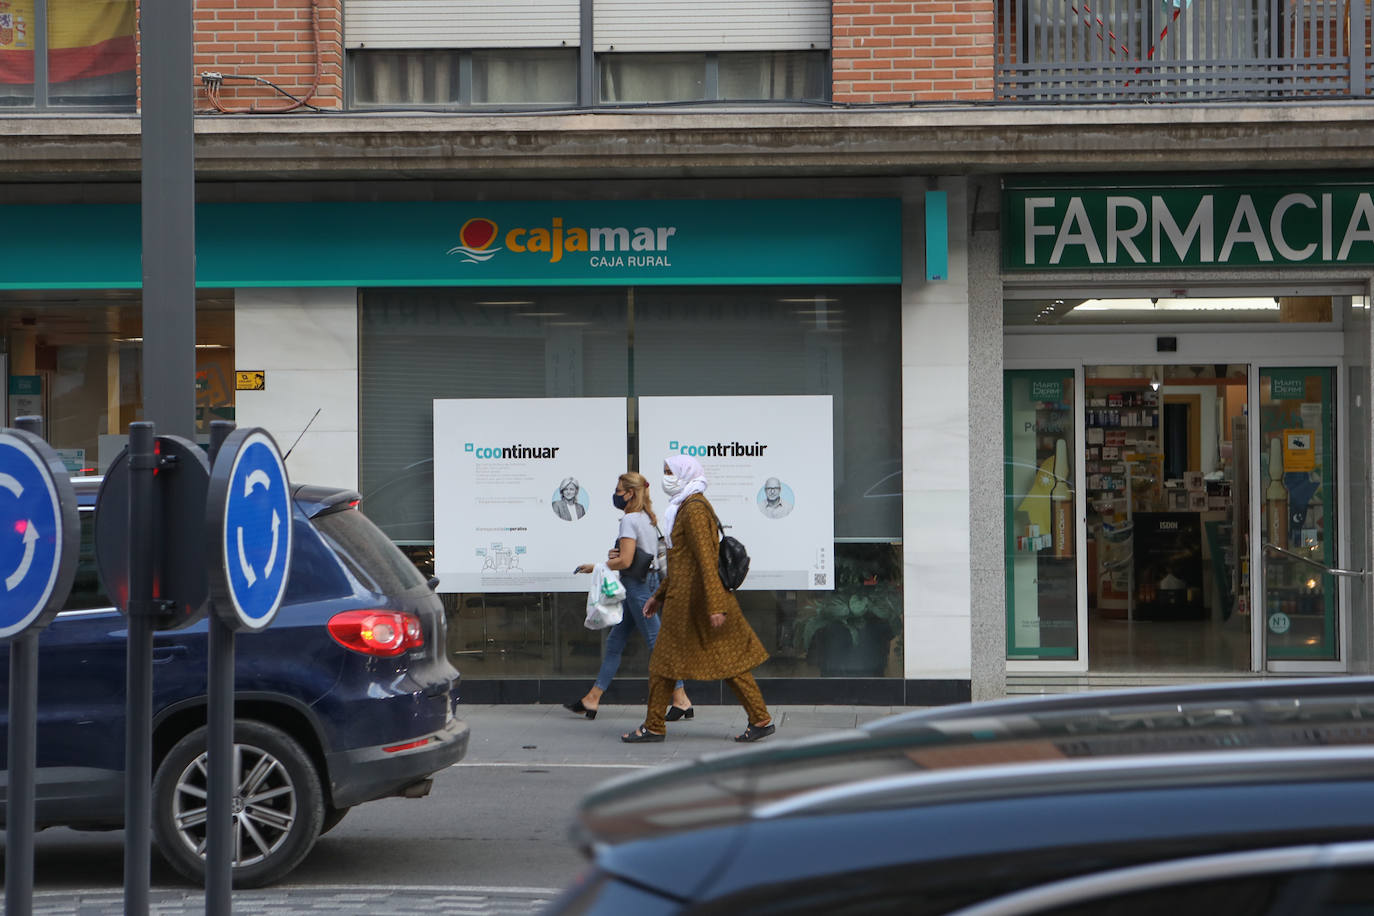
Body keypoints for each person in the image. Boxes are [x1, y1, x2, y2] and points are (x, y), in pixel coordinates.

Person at [623, 455, 774, 744]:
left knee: (670, 664)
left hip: (698, 604)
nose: (666, 477)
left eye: (671, 471)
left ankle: (654, 726)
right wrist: (658, 595)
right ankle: (759, 718)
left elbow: (705, 561)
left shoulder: (692, 510)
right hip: (688, 602)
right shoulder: (685, 506)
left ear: (685, 474)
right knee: (682, 665)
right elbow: (683, 563)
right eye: (664, 471)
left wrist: (716, 606)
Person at [564, 472, 692, 721]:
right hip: (647, 583)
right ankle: (592, 698)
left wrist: (597, 566)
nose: (616, 495)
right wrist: (618, 555)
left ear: (630, 493)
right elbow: (642, 554)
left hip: (637, 588)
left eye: (619, 491)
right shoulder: (648, 518)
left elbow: (626, 560)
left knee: (658, 644)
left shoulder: (629, 520)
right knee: (615, 643)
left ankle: (681, 698)